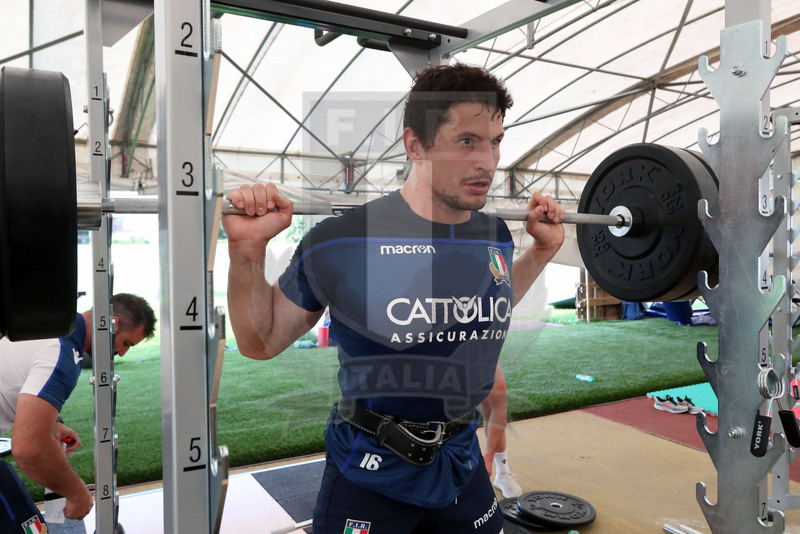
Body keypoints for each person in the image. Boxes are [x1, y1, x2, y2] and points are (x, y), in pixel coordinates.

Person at [223, 63, 564, 533]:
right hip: (370, 469)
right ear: (415, 145)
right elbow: (260, 342)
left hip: (460, 461)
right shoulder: (342, 239)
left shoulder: (495, 233)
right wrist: (246, 251)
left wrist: (541, 252)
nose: (488, 161)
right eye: (467, 141)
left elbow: (490, 303)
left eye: (495, 141)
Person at [0, 293, 156, 532]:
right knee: (29, 529)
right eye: (126, 343)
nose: (123, 353)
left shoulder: (52, 326)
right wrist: (77, 492)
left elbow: (17, 379)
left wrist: (53, 425)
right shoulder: (63, 352)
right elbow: (28, 447)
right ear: (110, 324)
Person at [481, 366, 523, 499]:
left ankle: (502, 471)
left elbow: (499, 408)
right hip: (441, 351)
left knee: (491, 403)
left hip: (477, 350)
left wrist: (488, 457)